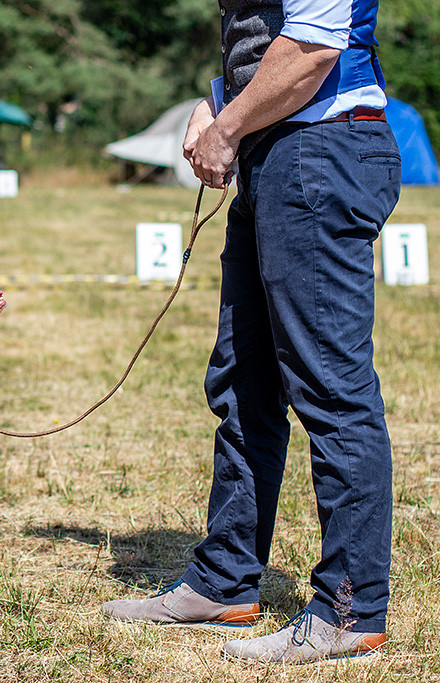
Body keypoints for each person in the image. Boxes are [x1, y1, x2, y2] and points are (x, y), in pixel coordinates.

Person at [101, 0, 401, 665]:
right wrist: (218, 100)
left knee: (331, 391)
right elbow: (262, 37)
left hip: (321, 150)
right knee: (243, 383)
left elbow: (316, 47)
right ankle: (223, 583)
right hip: (278, 153)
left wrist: (226, 125)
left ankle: (350, 611)